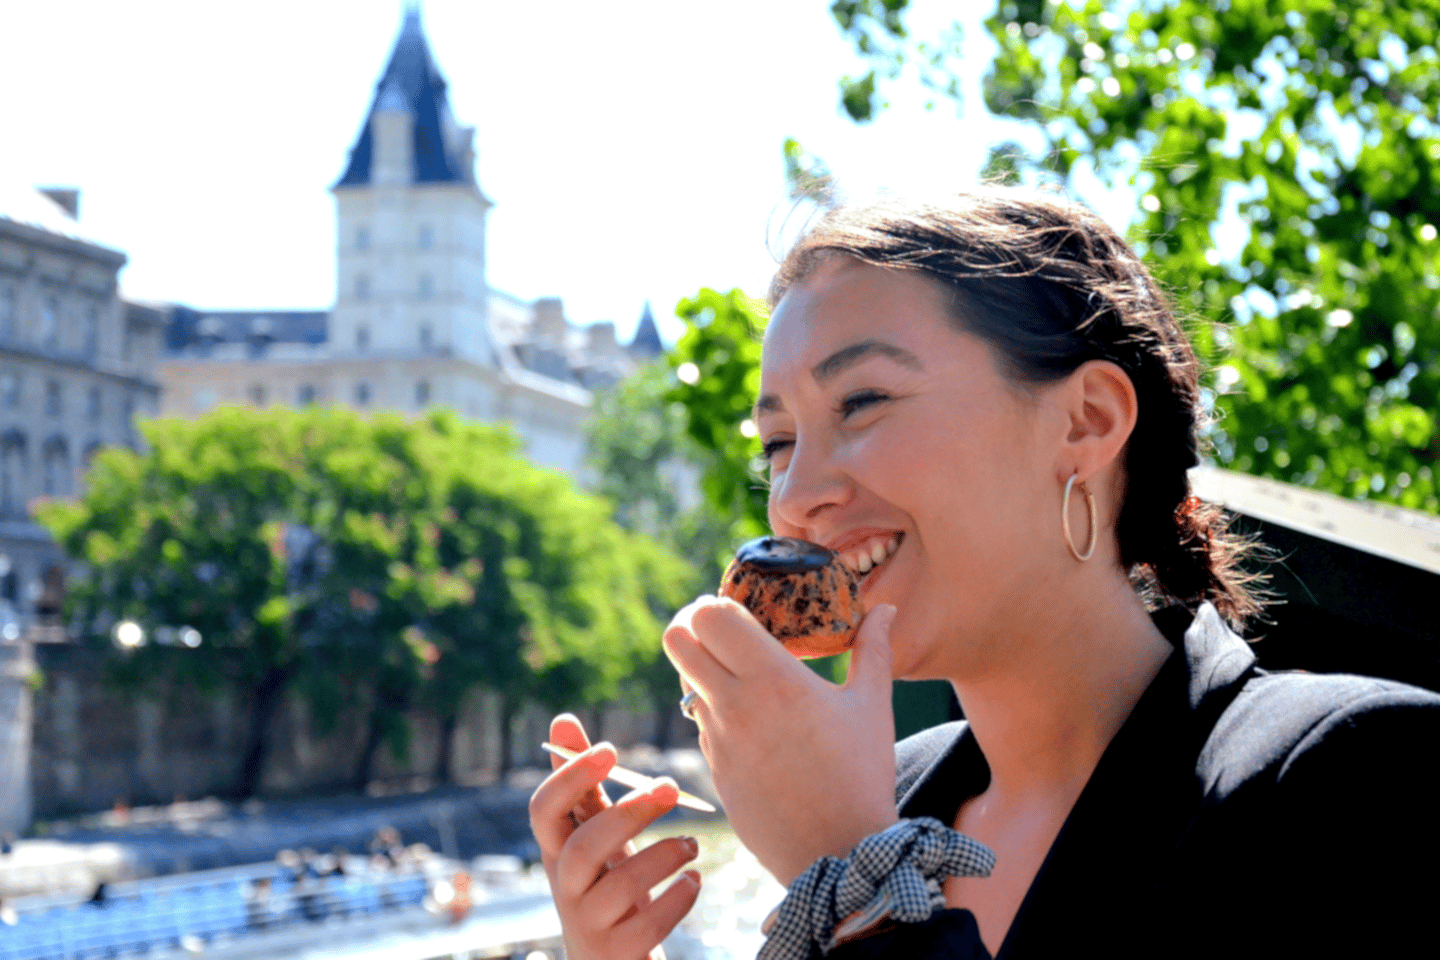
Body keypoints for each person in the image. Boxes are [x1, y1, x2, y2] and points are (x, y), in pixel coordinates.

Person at [528, 188, 1440, 960]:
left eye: (864, 401)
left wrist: (857, 875)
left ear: (1085, 421)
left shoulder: (1347, 775)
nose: (796, 494)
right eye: (777, 443)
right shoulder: (887, 787)